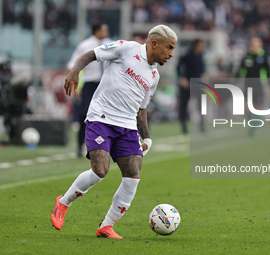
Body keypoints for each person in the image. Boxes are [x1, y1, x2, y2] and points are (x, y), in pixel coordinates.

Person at [51, 24, 177, 239]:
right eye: (169, 48)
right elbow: (92, 54)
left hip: (127, 126)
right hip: (101, 117)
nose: (171, 54)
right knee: (100, 171)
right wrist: (74, 72)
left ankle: (106, 226)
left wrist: (146, 137)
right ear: (154, 44)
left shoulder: (154, 76)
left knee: (133, 176)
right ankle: (63, 203)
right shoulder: (126, 49)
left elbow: (141, 109)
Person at [66, 23, 111, 157]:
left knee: (106, 117)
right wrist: (73, 84)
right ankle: (80, 146)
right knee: (84, 116)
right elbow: (73, 65)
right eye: (104, 29)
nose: (107, 31)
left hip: (105, 85)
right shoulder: (85, 46)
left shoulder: (110, 44)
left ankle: (103, 146)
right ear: (97, 31)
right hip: (90, 85)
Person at [237, 37, 270, 136]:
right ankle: (252, 124)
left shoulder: (263, 57)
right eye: (253, 44)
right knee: (247, 107)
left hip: (259, 85)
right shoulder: (246, 57)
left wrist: (268, 86)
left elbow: (268, 73)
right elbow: (241, 71)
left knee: (258, 106)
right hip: (248, 85)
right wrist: (238, 83)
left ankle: (255, 128)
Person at [177, 39, 205, 134]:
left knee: (201, 105)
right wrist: (182, 78)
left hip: (198, 84)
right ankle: (184, 127)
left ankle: (202, 126)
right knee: (184, 105)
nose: (202, 47)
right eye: (200, 45)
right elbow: (179, 67)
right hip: (187, 84)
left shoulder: (200, 55)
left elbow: (202, 70)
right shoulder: (187, 55)